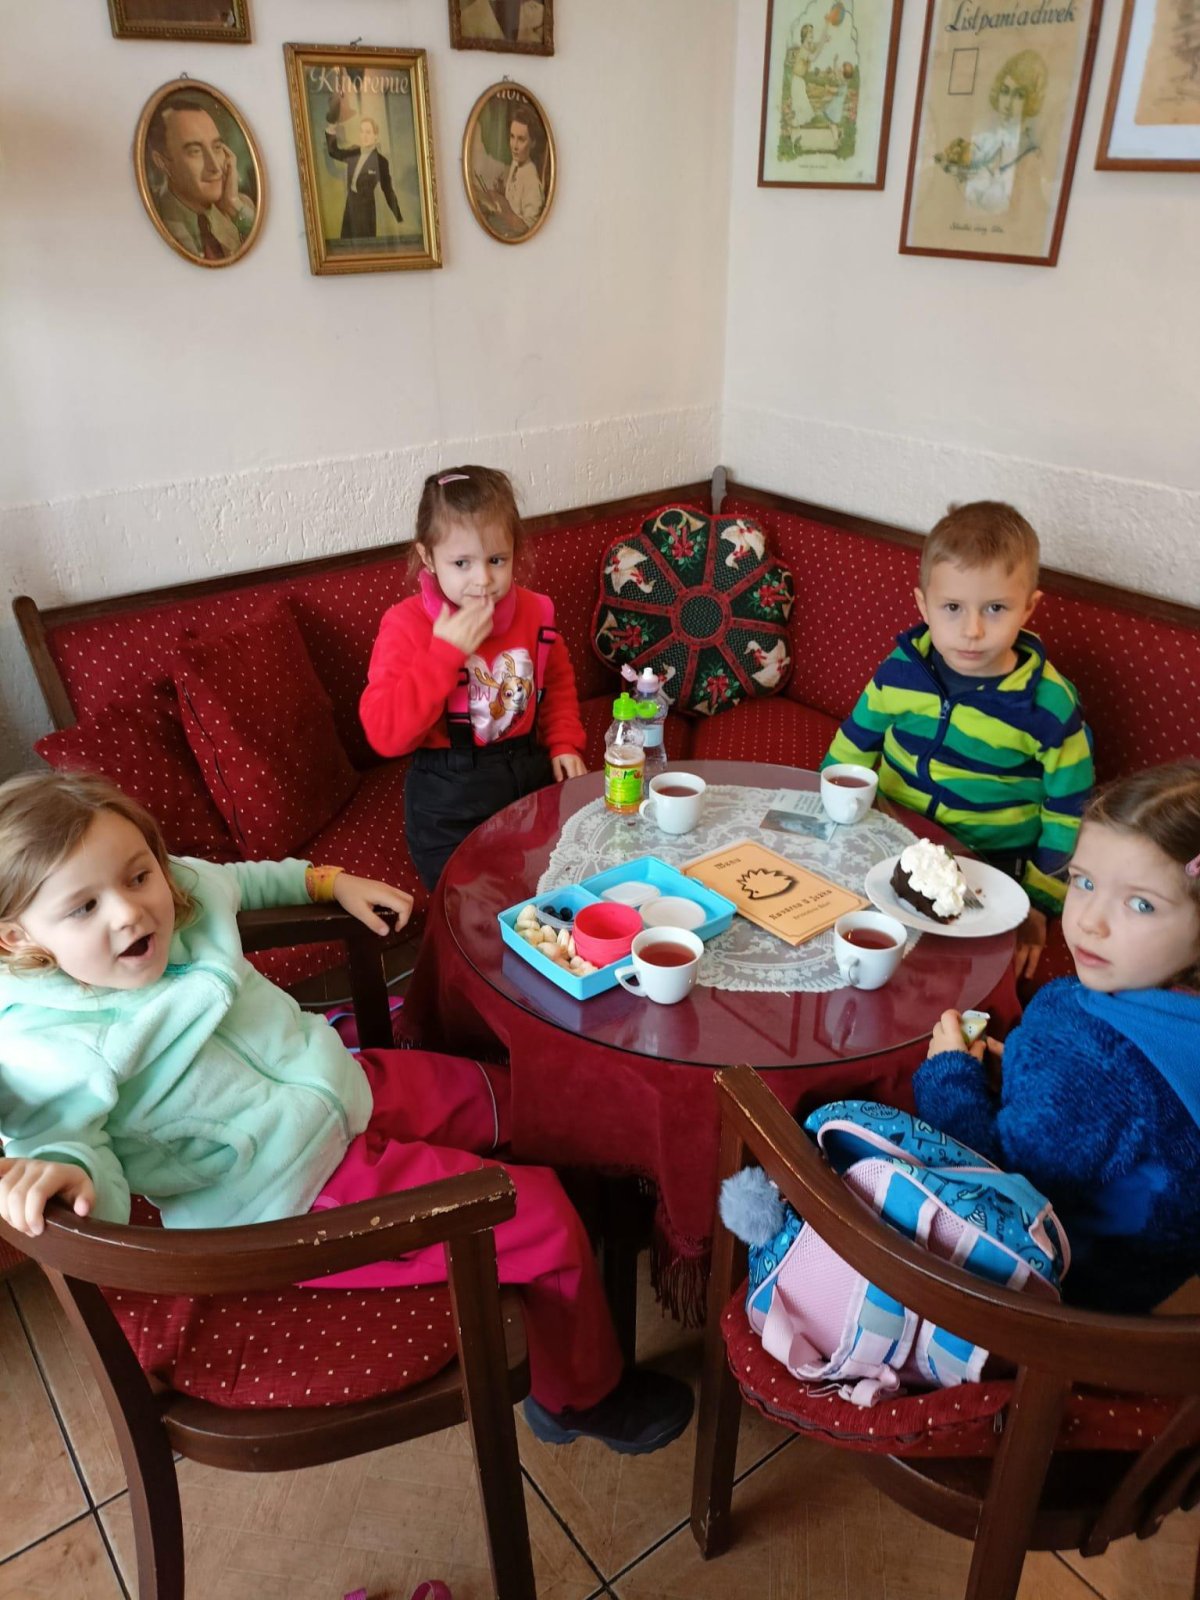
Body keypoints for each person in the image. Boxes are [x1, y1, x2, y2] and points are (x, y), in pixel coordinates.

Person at [0, 773, 692, 1454]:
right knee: (542, 1218)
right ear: (16, 940)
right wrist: (64, 1172)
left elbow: (230, 882)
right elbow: (67, 1146)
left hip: (343, 1082)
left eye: (138, 875)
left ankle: (623, 1208)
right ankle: (578, 1397)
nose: (129, 912)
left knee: (520, 1098)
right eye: (83, 908)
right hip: (294, 1196)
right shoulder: (46, 1051)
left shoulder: (171, 895)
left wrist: (326, 883)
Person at [917, 763, 1200, 1314]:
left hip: (1049, 1300)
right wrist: (1027, 1079)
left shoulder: (1090, 1057)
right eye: (1083, 882)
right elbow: (1118, 1128)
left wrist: (948, 1075)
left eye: (1141, 903)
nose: (1090, 921)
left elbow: (991, 1189)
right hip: (1146, 1286)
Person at [822, 501, 1094, 980]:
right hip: (890, 838)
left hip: (990, 867)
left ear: (1029, 607)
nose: (972, 631)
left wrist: (1040, 904)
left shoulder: (1049, 704)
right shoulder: (901, 670)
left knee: (942, 976)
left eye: (995, 608)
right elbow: (855, 742)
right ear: (923, 604)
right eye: (952, 608)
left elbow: (1070, 810)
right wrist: (830, 810)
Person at [360, 467, 587, 889]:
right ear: (428, 557)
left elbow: (555, 680)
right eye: (461, 563)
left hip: (530, 780)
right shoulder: (406, 625)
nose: (483, 580)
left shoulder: (536, 611)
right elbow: (386, 735)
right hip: (449, 803)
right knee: (474, 909)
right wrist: (445, 652)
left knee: (553, 891)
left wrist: (563, 741)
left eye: (497, 560)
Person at [146, 97, 256, 262]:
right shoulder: (152, 218)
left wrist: (233, 205)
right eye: (195, 151)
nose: (215, 167)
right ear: (162, 162)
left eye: (217, 147)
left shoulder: (240, 207)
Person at [324, 111, 404, 241]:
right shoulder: (353, 151)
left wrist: (399, 217)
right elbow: (334, 152)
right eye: (362, 131)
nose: (364, 136)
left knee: (364, 247)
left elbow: (388, 190)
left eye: (368, 132)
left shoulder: (381, 161)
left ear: (375, 136)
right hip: (350, 208)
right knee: (345, 246)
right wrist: (331, 128)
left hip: (366, 214)